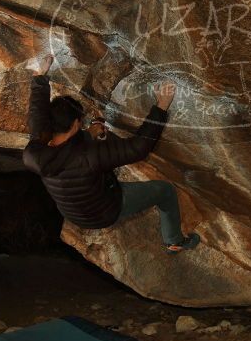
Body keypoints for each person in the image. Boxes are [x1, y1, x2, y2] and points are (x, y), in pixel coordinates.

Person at [22, 55, 200, 254]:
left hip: (72, 211)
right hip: (103, 211)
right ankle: (174, 241)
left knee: (86, 150)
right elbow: (138, 148)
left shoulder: (34, 152)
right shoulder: (91, 155)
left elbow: (38, 115)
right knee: (165, 191)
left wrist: (40, 75)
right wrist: (161, 107)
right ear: (75, 124)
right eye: (80, 123)